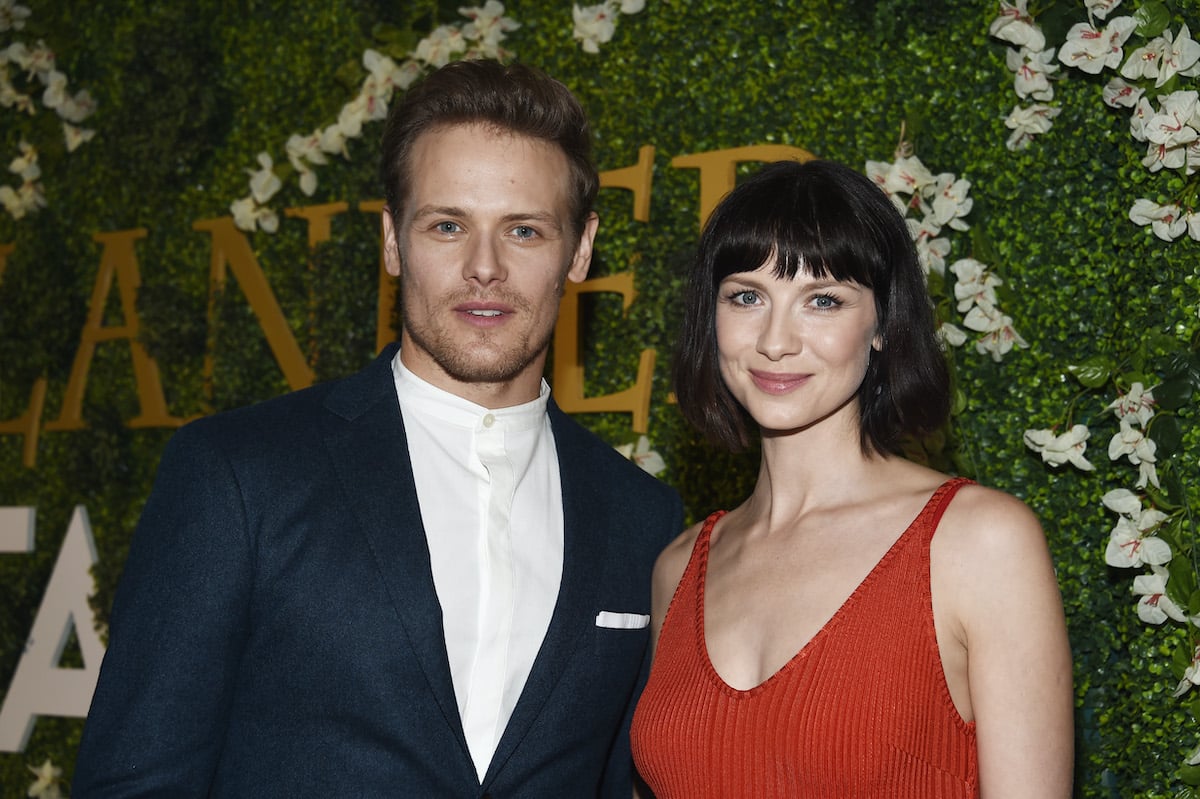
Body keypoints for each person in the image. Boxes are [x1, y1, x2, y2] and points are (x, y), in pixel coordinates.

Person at [74, 59, 683, 798]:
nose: (484, 267)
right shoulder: (237, 473)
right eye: (448, 225)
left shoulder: (642, 519)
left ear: (580, 249)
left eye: (523, 230)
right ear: (393, 240)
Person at [630, 159, 1073, 797]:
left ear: (884, 324)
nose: (775, 341)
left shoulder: (979, 542)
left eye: (823, 301)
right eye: (747, 297)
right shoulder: (677, 568)